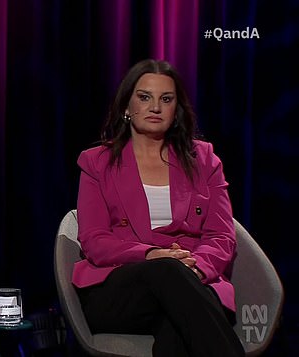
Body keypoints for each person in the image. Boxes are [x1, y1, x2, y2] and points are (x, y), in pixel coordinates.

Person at [73, 59, 245, 356]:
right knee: (167, 273)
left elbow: (221, 237)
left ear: (175, 110)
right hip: (121, 289)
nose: (155, 107)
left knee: (176, 325)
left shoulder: (204, 160)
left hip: (193, 282)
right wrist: (153, 255)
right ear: (127, 107)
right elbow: (95, 240)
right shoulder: (96, 162)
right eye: (144, 97)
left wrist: (196, 268)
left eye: (166, 99)